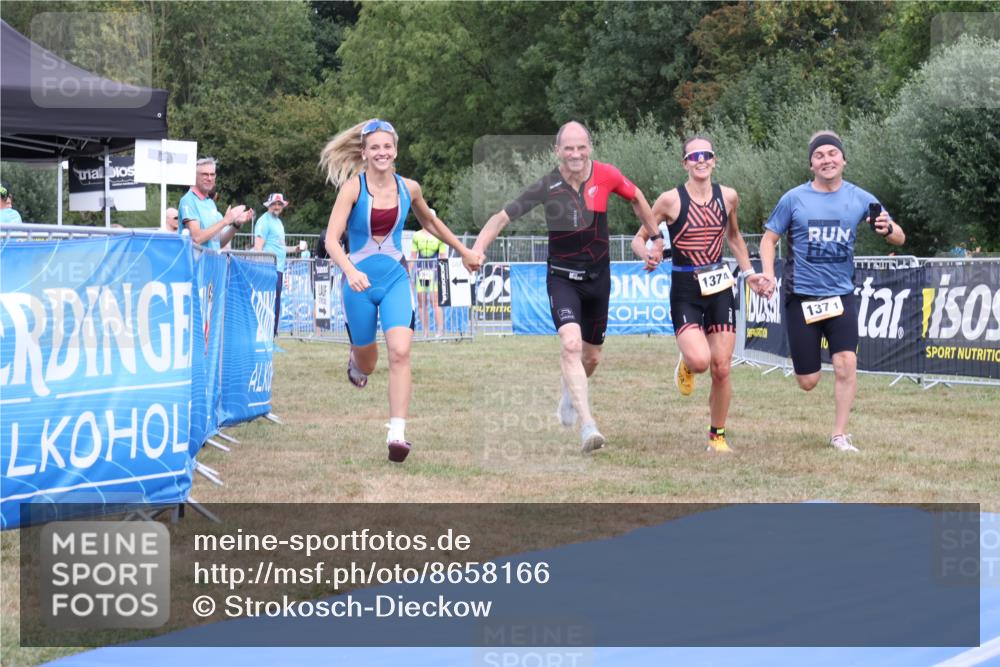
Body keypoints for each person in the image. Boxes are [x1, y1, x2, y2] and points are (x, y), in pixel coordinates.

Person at [472, 120, 661, 453]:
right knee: (570, 343)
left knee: (591, 358)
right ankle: (588, 426)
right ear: (557, 150)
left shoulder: (608, 175)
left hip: (598, 279)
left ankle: (569, 392)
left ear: (590, 147)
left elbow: (637, 198)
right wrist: (478, 248)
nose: (575, 154)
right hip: (562, 277)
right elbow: (502, 217)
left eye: (581, 147)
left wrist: (655, 238)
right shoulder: (547, 186)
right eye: (568, 148)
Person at [320, 119, 483, 463]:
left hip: (394, 277)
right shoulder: (352, 188)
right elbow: (332, 240)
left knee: (400, 351)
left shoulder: (409, 188)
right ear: (363, 153)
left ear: (395, 150)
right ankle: (356, 360)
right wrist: (350, 271)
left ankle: (397, 433)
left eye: (387, 146)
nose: (382, 152)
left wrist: (463, 251)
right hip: (358, 283)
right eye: (375, 147)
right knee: (370, 363)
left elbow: (430, 222)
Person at [758, 130, 906, 452]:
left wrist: (888, 229)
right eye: (819, 155)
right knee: (808, 381)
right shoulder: (794, 199)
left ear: (843, 160)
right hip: (802, 296)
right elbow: (769, 239)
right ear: (811, 164)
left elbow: (899, 238)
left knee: (845, 363)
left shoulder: (861, 198)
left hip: (840, 295)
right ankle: (808, 360)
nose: (827, 160)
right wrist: (768, 274)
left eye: (832, 154)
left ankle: (839, 434)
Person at [632, 136, 766, 453]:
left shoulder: (729, 197)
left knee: (722, 367)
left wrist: (748, 274)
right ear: (685, 163)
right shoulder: (669, 200)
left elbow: (733, 237)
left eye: (706, 155)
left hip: (720, 287)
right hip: (686, 289)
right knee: (701, 361)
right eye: (694, 156)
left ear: (714, 160)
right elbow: (640, 239)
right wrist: (648, 254)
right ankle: (687, 363)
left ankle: (717, 436)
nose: (700, 160)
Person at [178, 157, 253, 250]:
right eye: (205, 174)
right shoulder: (188, 200)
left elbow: (218, 243)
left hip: (212, 262)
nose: (209, 178)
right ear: (195, 176)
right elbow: (197, 238)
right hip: (196, 264)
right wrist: (225, 221)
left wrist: (236, 225)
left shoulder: (210, 202)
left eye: (212, 174)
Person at [253, 193, 301, 336]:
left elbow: (281, 247)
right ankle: (265, 334)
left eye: (280, 204)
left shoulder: (278, 223)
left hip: (278, 269)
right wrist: (261, 270)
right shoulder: (264, 221)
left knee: (275, 303)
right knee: (268, 303)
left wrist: (295, 249)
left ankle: (272, 335)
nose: (277, 206)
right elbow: (258, 248)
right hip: (269, 268)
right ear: (269, 205)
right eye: (274, 204)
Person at [410, 226, 449, 337]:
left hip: (435, 272)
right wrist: (408, 272)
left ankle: (440, 331)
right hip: (421, 271)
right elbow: (413, 256)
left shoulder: (439, 235)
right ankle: (425, 332)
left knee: (435, 302)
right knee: (422, 303)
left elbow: (443, 257)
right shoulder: (416, 235)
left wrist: (444, 275)